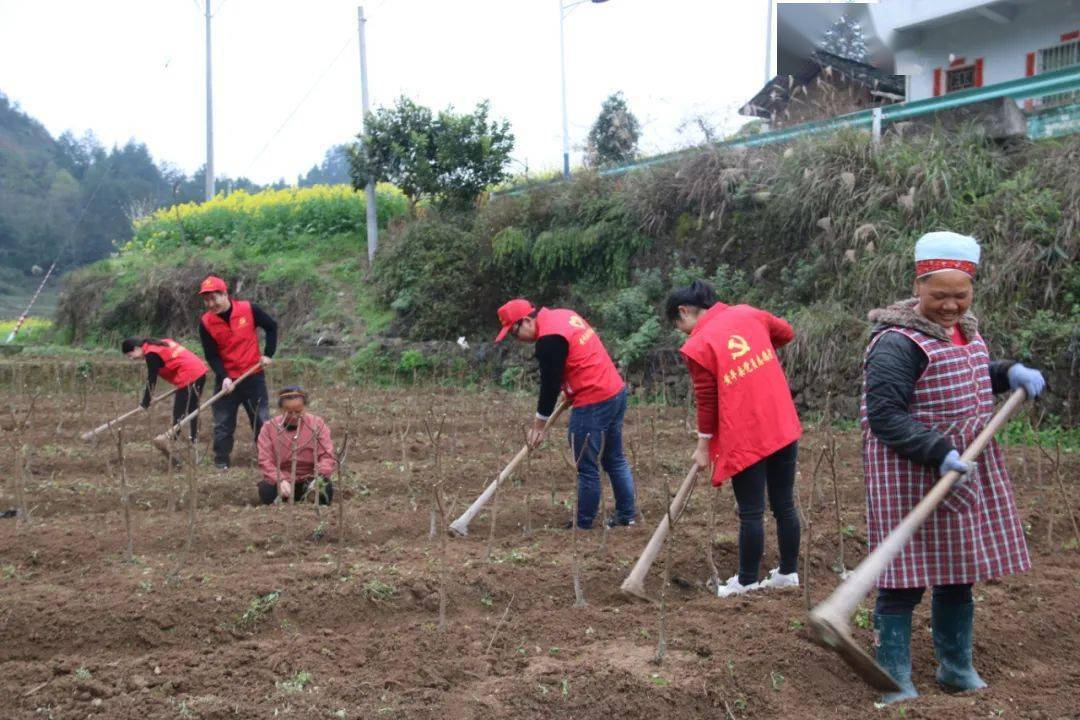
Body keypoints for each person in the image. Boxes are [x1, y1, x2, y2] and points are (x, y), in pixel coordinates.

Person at [862, 231, 1045, 704]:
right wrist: (936, 450)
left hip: (961, 467)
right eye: (939, 295)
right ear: (917, 285)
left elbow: (967, 371)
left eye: (960, 295)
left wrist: (1007, 373)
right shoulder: (896, 343)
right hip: (911, 470)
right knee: (903, 578)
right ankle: (895, 677)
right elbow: (884, 416)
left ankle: (956, 668)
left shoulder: (966, 328)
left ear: (973, 288)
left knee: (956, 573)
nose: (950, 306)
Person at [666, 280, 802, 598]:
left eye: (678, 324)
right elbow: (786, 332)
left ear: (683, 311)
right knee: (783, 503)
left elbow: (708, 402)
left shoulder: (698, 345)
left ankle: (746, 580)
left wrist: (702, 448)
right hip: (780, 420)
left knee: (751, 510)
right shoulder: (748, 313)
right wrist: (756, 351)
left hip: (747, 432)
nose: (682, 332)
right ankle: (788, 573)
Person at [495, 298, 637, 529]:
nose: (516, 339)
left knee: (586, 465)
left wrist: (538, 427)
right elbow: (578, 356)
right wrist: (570, 388)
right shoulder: (563, 315)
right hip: (614, 391)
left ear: (527, 321)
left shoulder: (548, 340)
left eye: (514, 332)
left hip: (593, 400)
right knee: (614, 458)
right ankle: (627, 515)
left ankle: (582, 525)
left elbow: (549, 386)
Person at [197, 275, 277, 470]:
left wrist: (268, 354)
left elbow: (271, 326)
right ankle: (221, 462)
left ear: (225, 294)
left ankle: (267, 461)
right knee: (222, 423)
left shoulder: (248, 309)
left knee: (261, 419)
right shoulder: (206, 323)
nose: (210, 303)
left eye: (213, 298)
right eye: (206, 300)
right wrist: (223, 376)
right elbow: (212, 355)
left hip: (253, 376)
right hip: (226, 381)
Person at [256, 386, 336, 505]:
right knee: (266, 491)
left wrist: (318, 478)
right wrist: (280, 480)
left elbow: (327, 456)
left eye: (298, 412)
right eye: (288, 412)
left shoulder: (317, 424)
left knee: (325, 490)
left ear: (305, 408)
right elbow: (265, 460)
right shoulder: (269, 428)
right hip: (283, 482)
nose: (293, 416)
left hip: (310, 480)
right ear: (281, 410)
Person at [121, 336, 208, 444]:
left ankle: (173, 439)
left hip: (189, 374)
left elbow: (151, 379)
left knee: (179, 411)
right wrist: (150, 398)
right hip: (200, 370)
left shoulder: (151, 353)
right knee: (193, 408)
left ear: (136, 348)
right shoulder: (158, 343)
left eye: (130, 355)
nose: (131, 358)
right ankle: (194, 438)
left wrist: (145, 403)